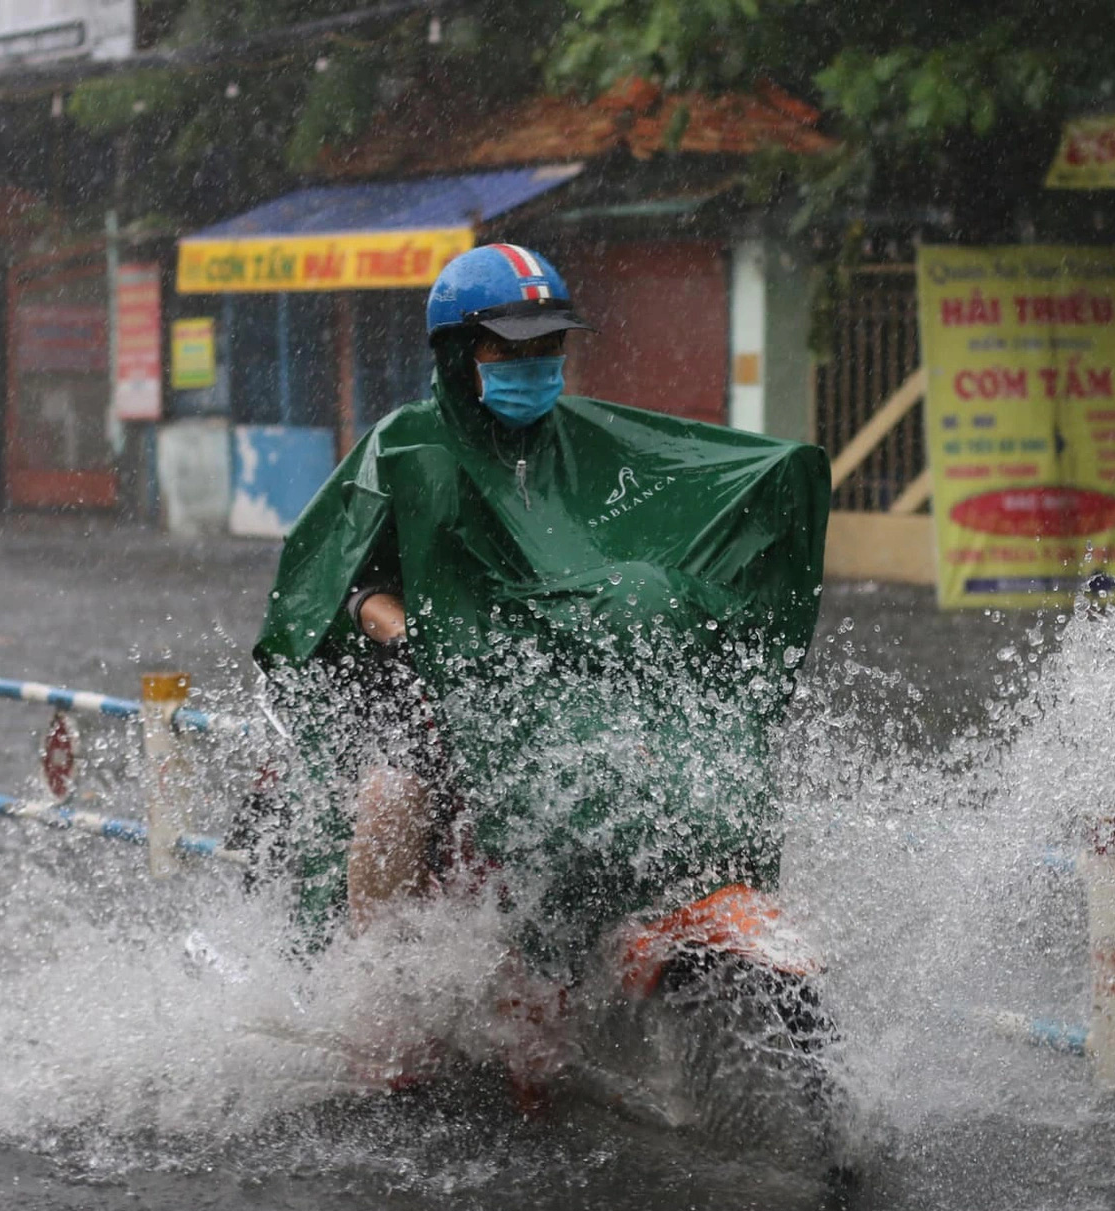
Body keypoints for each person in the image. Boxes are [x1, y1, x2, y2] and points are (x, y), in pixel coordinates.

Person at [250, 242, 830, 979]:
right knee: (401, 784)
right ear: (462, 353)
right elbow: (333, 586)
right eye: (511, 346)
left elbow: (694, 497)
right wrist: (408, 632)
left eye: (551, 343)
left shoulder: (595, 444)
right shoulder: (406, 448)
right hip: (430, 679)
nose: (537, 362)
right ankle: (378, 980)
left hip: (560, 683)